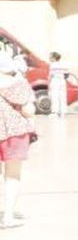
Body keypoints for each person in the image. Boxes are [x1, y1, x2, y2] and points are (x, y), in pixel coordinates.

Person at [0, 55, 34, 228]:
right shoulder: (18, 83)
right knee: (12, 175)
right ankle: (8, 216)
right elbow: (29, 110)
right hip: (14, 133)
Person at [47, 51, 67, 117]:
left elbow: (50, 75)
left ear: (54, 58)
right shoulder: (63, 64)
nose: (49, 58)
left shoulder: (52, 65)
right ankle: (62, 112)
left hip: (55, 81)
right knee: (62, 96)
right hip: (62, 81)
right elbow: (66, 75)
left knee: (54, 96)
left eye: (50, 57)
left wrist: (48, 83)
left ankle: (54, 112)